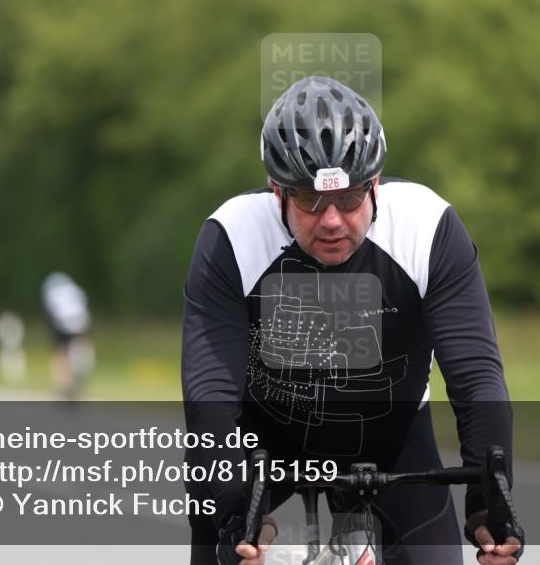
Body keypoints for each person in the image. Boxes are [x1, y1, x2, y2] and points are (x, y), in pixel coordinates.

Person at [182, 76, 521, 564]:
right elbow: (210, 399)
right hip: (266, 445)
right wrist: (236, 514)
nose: (333, 220)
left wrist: (491, 507)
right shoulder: (230, 238)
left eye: (350, 198)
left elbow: (476, 378)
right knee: (222, 543)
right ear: (277, 191)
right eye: (309, 200)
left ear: (375, 184)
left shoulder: (427, 226)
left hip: (393, 438)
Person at [41, 272, 95, 400]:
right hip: (80, 320)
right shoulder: (76, 290)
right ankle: (82, 367)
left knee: (60, 353)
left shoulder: (52, 291)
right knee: (80, 345)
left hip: (61, 321)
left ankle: (64, 383)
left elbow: (49, 312)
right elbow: (84, 307)